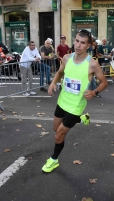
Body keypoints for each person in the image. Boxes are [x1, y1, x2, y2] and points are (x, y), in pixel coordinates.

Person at [42, 29, 108, 173]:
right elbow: (60, 72)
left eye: (82, 43)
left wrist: (94, 92)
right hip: (62, 101)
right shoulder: (66, 58)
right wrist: (53, 83)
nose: (78, 45)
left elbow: (104, 82)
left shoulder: (92, 64)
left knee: (59, 135)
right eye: (77, 41)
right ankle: (81, 119)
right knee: (55, 128)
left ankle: (53, 160)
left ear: (89, 45)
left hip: (76, 105)